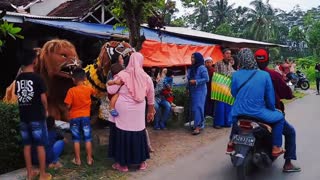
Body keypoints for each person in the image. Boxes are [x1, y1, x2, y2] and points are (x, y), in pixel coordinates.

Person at [227, 48, 285, 157]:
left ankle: (231, 141)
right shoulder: (264, 75)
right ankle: (276, 147)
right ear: (253, 59)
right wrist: (272, 109)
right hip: (258, 112)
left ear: (240, 60)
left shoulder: (235, 75)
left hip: (238, 112)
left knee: (236, 122)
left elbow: (234, 93)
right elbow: (270, 98)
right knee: (280, 118)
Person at [107, 52, 155, 172]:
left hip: (123, 110)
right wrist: (150, 111)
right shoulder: (147, 78)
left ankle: (123, 165)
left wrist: (111, 82)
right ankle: (142, 163)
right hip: (138, 111)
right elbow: (151, 97)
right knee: (139, 133)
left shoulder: (122, 75)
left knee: (123, 133)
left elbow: (111, 89)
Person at [255, 49, 301, 172]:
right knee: (290, 132)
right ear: (268, 60)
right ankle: (288, 163)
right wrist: (289, 95)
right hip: (269, 111)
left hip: (249, 111)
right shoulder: (272, 75)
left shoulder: (249, 74)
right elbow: (284, 91)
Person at [15, 50, 52, 180]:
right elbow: (43, 99)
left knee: (27, 146)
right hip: (37, 116)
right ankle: (42, 174)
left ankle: (29, 174)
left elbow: (18, 96)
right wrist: (46, 110)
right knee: (40, 145)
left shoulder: (18, 79)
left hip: (23, 117)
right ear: (34, 61)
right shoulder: (38, 78)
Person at [64, 68, 96, 166]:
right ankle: (89, 159)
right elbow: (94, 95)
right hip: (86, 117)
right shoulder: (89, 89)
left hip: (74, 117)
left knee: (76, 139)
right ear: (85, 78)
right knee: (87, 138)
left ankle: (77, 160)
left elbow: (68, 106)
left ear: (73, 79)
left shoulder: (71, 91)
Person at [187, 52, 209, 135]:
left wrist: (196, 81)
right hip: (193, 90)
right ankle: (199, 124)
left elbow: (206, 79)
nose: (192, 59)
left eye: (193, 58)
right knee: (194, 108)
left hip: (200, 91)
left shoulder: (202, 68)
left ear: (198, 59)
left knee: (198, 108)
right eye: (191, 57)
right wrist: (187, 88)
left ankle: (198, 127)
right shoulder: (191, 68)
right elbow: (189, 79)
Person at [214, 48, 233, 129]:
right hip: (220, 87)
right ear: (223, 54)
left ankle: (227, 122)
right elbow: (216, 75)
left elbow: (232, 74)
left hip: (228, 87)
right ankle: (218, 123)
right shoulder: (218, 63)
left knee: (228, 105)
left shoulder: (230, 64)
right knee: (220, 106)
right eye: (227, 53)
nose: (229, 55)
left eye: (230, 53)